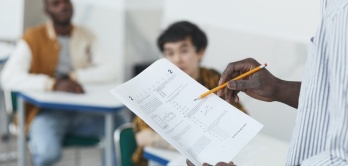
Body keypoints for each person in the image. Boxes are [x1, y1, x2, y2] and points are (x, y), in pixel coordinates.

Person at [188, 0, 348, 165]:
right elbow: (338, 100)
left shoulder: (342, 13)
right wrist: (278, 89)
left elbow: (341, 157)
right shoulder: (334, 7)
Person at [0, 0, 129, 165]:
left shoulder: (85, 34)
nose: (63, 7)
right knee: (47, 153)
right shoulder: (33, 37)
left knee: (120, 126)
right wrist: (52, 84)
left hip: (84, 112)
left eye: (66, 2)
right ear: (47, 8)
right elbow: (9, 77)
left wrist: (74, 77)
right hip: (46, 113)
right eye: (55, 3)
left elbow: (111, 69)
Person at [132, 21, 247, 166]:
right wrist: (197, 146)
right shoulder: (156, 87)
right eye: (170, 53)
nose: (177, 59)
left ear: (200, 52)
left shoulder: (214, 79)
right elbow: (143, 136)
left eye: (184, 51)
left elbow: (241, 119)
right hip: (160, 159)